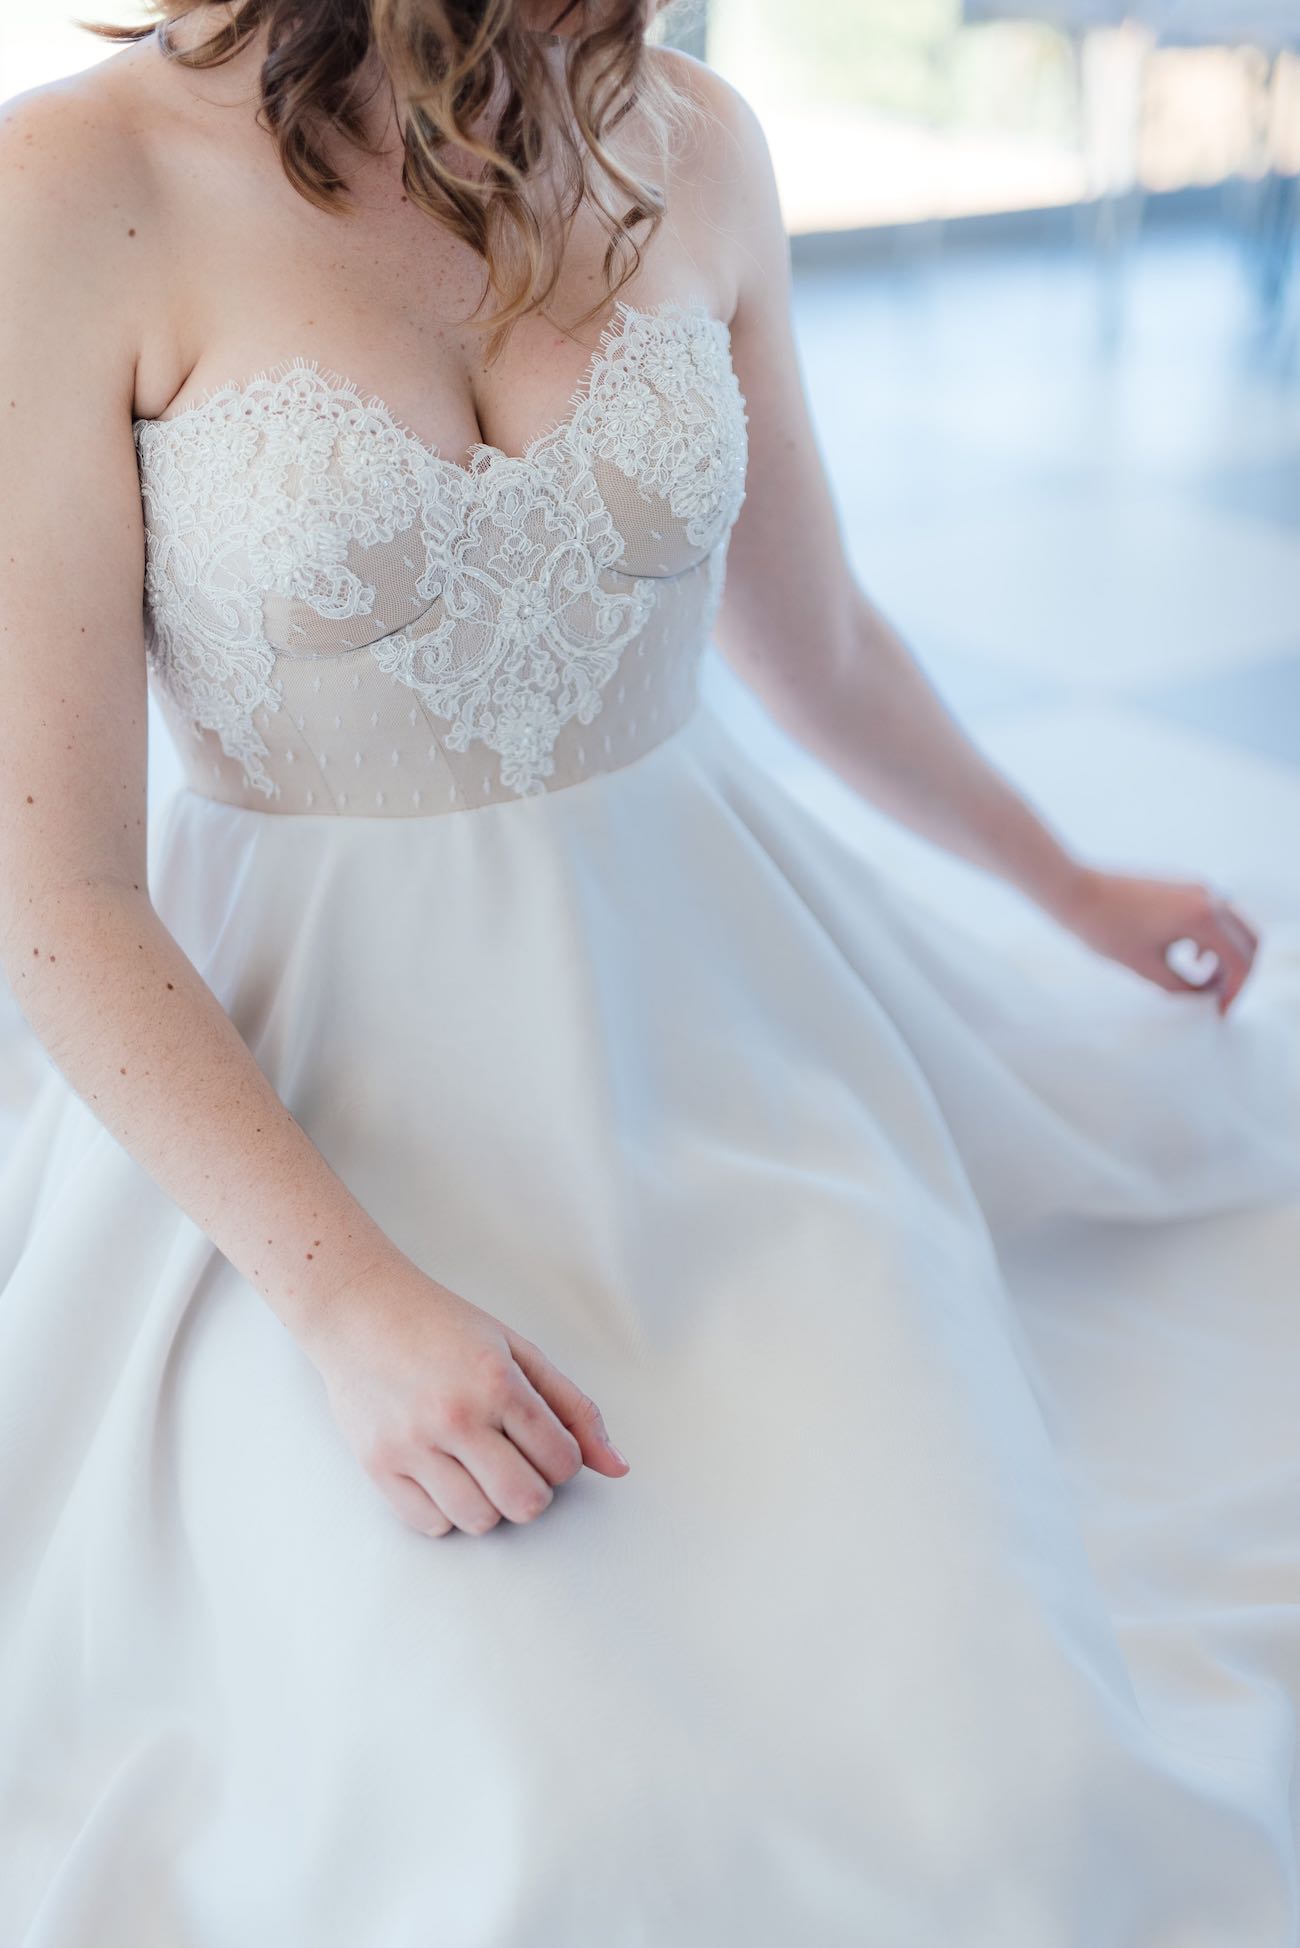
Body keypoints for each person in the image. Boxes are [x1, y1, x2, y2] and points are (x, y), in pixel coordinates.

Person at [2, 1, 1300, 1940]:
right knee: (526, 1801)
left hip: (727, 1040)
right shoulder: (75, 185)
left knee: (1001, 1781)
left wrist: (1069, 881)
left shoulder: (695, 139)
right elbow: (62, 886)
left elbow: (823, 644)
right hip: (309, 1112)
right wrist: (351, 1302)